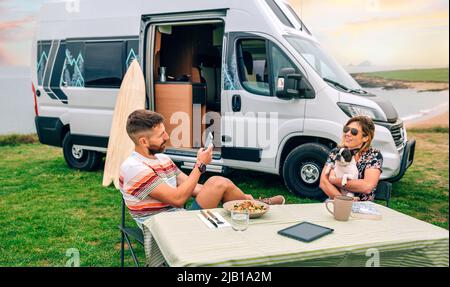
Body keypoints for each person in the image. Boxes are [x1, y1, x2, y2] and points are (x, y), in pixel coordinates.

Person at [119, 109, 285, 228]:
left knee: (219, 183)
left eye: (165, 132)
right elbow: (178, 199)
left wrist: (225, 192)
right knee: (217, 182)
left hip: (178, 219)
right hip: (164, 229)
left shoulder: (162, 159)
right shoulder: (134, 168)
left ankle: (251, 203)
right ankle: (253, 205)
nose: (167, 137)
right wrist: (200, 165)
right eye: (160, 135)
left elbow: (193, 188)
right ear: (143, 141)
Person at [319, 116, 383, 201]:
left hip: (362, 206)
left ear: (365, 137)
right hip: (336, 201)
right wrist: (344, 201)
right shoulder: (336, 152)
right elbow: (323, 182)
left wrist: (334, 180)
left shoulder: (373, 155)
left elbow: (367, 186)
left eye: (354, 132)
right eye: (346, 129)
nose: (347, 133)